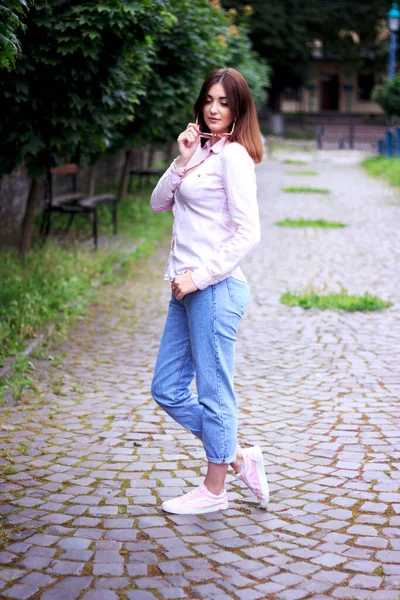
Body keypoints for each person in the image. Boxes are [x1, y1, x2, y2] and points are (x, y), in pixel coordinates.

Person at [150, 67, 269, 515]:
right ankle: (238, 455)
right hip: (184, 290)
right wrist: (182, 160)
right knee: (166, 388)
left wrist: (198, 278)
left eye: (224, 102)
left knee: (214, 393)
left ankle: (215, 490)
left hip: (213, 289)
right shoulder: (200, 153)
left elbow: (248, 233)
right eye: (209, 101)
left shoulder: (234, 157)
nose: (214, 109)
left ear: (238, 110)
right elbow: (158, 202)